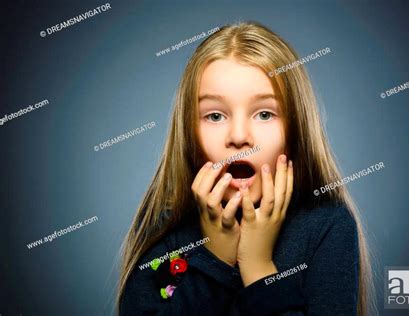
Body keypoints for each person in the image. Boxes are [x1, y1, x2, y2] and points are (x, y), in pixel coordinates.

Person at [118, 21, 374, 316]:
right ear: (189, 134)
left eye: (264, 114)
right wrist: (214, 258)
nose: (239, 137)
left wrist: (258, 266)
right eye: (215, 116)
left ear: (295, 131)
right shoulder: (163, 229)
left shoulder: (327, 227)